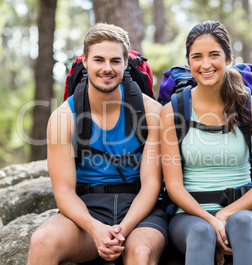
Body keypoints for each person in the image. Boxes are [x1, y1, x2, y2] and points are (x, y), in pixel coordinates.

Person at [27, 23, 167, 265]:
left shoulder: (152, 112)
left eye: (115, 61)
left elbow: (151, 185)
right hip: (87, 210)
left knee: (140, 253)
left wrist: (121, 230)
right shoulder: (63, 118)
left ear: (126, 63)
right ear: (84, 61)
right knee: (42, 241)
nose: (107, 68)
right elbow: (64, 192)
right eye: (99, 60)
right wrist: (95, 229)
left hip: (140, 213)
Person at [159, 21, 252, 265]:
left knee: (242, 224)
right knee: (201, 232)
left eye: (214, 55)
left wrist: (225, 214)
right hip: (188, 217)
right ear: (189, 61)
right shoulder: (172, 112)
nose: (205, 64)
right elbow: (174, 186)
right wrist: (211, 220)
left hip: (243, 211)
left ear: (227, 57)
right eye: (197, 57)